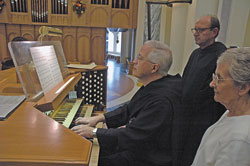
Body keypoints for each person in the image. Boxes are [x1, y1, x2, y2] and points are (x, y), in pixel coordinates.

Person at [72, 40, 181, 166]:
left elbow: (133, 135)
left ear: (154, 68)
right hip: (138, 146)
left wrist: (93, 132)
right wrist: (99, 118)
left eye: (140, 58)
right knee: (92, 149)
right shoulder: (155, 85)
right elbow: (129, 109)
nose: (133, 62)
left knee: (88, 158)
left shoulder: (161, 101)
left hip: (147, 158)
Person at [174, 15, 227, 166]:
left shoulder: (221, 55)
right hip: (186, 115)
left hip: (204, 118)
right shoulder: (195, 53)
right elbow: (186, 80)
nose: (195, 33)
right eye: (195, 29)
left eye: (201, 30)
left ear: (214, 32)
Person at [191, 47, 250, 166]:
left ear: (243, 88)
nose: (212, 84)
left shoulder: (240, 138)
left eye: (219, 79)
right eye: (214, 77)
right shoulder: (231, 112)